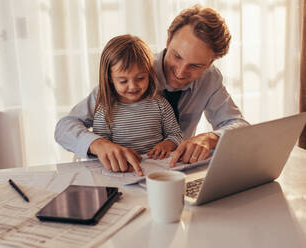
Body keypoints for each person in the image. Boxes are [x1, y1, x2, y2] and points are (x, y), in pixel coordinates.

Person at [55, 5, 249, 175]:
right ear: (168, 40)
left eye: (195, 66)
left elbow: (239, 125)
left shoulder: (210, 79)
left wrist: (212, 137)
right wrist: (98, 144)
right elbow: (65, 127)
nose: (181, 73)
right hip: (117, 173)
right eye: (177, 56)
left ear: (210, 63)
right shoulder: (134, 71)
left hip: (174, 174)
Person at [93, 34, 184, 175]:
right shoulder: (105, 110)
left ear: (149, 74)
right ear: (110, 79)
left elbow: (176, 134)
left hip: (159, 169)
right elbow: (103, 145)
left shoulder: (159, 104)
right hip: (123, 171)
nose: (132, 86)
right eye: (123, 81)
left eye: (140, 78)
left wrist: (167, 144)